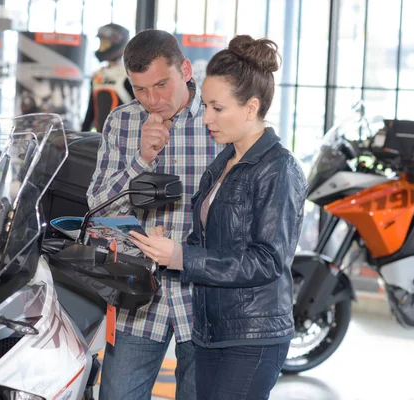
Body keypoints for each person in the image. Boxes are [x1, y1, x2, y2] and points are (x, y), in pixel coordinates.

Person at [129, 35, 308, 400]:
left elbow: (267, 261)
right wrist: (170, 247)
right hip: (211, 329)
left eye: (217, 108)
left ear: (250, 107)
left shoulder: (279, 169)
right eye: (206, 106)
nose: (206, 117)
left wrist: (181, 257)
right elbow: (211, 243)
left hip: (252, 335)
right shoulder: (224, 162)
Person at [86, 29, 224, 400]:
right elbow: (98, 206)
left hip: (203, 292)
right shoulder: (122, 122)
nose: (153, 100)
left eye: (161, 85)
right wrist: (141, 159)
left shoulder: (219, 122)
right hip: (139, 290)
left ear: (186, 70)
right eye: (141, 89)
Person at [81, 23, 135, 132]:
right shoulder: (98, 75)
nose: (101, 47)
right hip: (101, 139)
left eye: (105, 42)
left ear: (117, 44)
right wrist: (80, 137)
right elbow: (91, 111)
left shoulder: (128, 74)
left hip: (125, 138)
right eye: (101, 42)